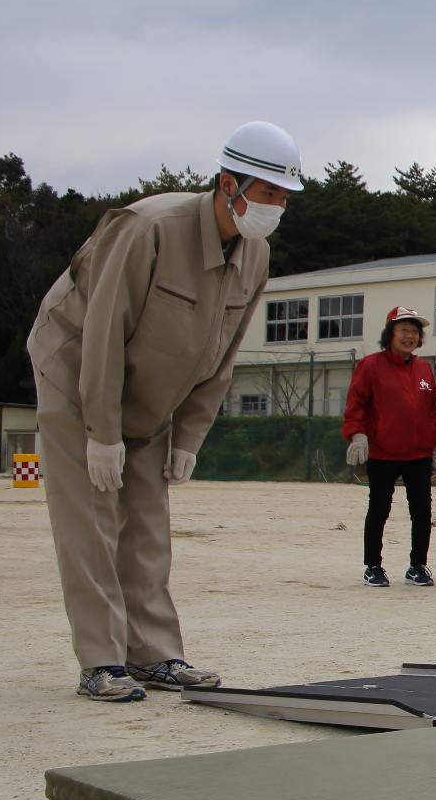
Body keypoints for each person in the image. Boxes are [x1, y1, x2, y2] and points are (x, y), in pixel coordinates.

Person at [26, 120, 299, 701]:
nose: (276, 206)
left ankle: (153, 654)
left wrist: (188, 438)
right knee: (92, 521)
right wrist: (101, 432)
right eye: (268, 191)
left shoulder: (256, 254)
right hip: (77, 375)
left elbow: (221, 355)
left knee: (147, 523)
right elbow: (102, 331)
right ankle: (101, 661)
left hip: (153, 394)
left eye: (284, 196)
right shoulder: (148, 227)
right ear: (228, 183)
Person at [343, 305, 436, 588]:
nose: (409, 336)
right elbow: (355, 404)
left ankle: (417, 566)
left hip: (419, 453)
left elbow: (434, 409)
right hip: (382, 451)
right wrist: (357, 435)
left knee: (422, 510)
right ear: (390, 334)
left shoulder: (424, 368)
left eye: (414, 331)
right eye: (403, 330)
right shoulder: (370, 365)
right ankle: (373, 566)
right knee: (379, 508)